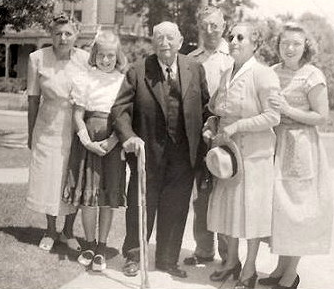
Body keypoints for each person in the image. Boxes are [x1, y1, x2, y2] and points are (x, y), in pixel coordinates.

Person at [110, 21, 210, 278]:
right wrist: (129, 137)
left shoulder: (195, 69)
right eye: (159, 38)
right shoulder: (138, 70)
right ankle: (134, 257)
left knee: (176, 209)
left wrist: (211, 130)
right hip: (147, 154)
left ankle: (167, 259)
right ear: (153, 42)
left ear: (180, 40)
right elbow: (119, 111)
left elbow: (206, 108)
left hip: (184, 155)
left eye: (169, 37)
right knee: (141, 206)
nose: (164, 43)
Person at [205, 22, 281, 289]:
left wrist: (238, 126)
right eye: (232, 36)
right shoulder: (226, 74)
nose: (234, 41)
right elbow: (217, 108)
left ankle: (249, 270)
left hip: (255, 156)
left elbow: (273, 115)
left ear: (255, 44)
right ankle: (231, 263)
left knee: (251, 212)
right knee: (230, 209)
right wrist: (212, 125)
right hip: (229, 155)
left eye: (241, 37)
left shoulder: (264, 75)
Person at [259, 22, 333, 289]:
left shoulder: (312, 75)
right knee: (278, 211)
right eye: (284, 43)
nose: (289, 49)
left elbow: (321, 117)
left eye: (296, 44)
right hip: (274, 145)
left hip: (301, 149)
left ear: (305, 47)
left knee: (297, 211)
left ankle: (292, 274)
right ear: (278, 46)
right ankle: (280, 268)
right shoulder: (270, 72)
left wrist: (288, 109)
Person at [62, 30, 127, 272]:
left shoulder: (122, 80)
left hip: (112, 142)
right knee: (89, 200)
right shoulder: (84, 78)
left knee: (106, 200)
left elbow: (124, 116)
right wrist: (87, 141)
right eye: (102, 55)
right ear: (94, 55)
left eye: (111, 55)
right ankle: (88, 244)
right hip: (88, 142)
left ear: (117, 56)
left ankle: (101, 246)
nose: (106, 60)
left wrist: (113, 140)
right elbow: (77, 115)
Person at [26, 13, 89, 252]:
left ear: (76, 36)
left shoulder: (85, 59)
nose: (62, 38)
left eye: (68, 33)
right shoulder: (37, 58)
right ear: (51, 34)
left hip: (75, 126)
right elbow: (33, 99)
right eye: (57, 33)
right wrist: (31, 133)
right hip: (47, 126)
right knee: (49, 179)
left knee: (72, 178)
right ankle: (50, 230)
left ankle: (68, 231)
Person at [184, 5, 233, 267]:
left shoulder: (234, 58)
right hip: (200, 140)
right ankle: (203, 250)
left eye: (215, 25)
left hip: (229, 137)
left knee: (226, 197)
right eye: (205, 26)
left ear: (224, 25)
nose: (210, 30)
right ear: (199, 28)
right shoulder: (191, 60)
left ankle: (228, 256)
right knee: (201, 198)